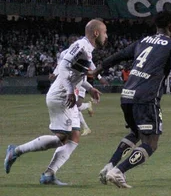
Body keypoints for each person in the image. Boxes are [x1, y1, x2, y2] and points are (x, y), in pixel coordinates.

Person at [4, 20, 106, 185]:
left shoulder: (86, 49)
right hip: (61, 96)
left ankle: (49, 174)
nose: (106, 36)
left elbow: (75, 74)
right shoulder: (81, 47)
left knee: (74, 137)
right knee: (62, 138)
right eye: (105, 32)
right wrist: (70, 91)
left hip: (64, 94)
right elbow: (64, 69)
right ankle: (15, 151)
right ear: (96, 33)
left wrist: (89, 88)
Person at [93, 11, 171, 189]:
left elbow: (118, 56)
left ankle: (109, 166)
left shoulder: (143, 41)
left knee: (136, 133)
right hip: (146, 97)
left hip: (127, 94)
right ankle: (119, 171)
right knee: (150, 143)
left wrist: (97, 70)